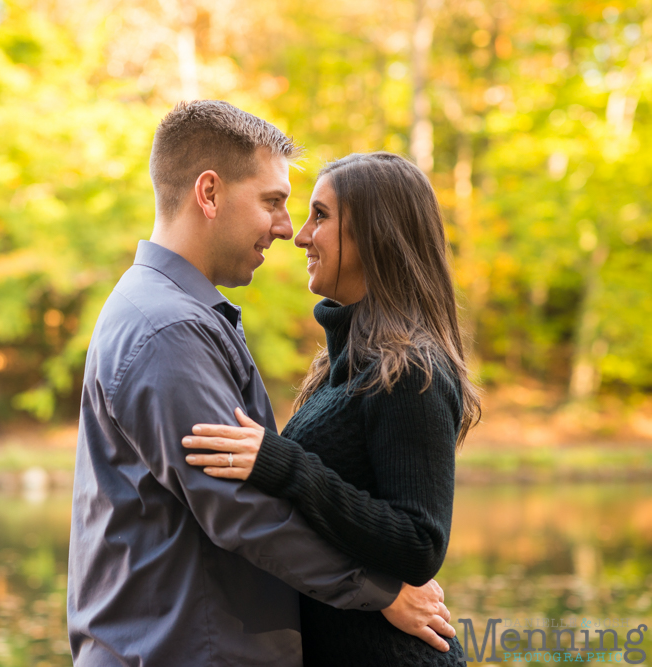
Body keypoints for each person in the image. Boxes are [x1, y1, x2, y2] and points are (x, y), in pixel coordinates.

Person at [67, 102, 456, 666]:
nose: (287, 229)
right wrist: (380, 591)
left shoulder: (176, 313)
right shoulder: (168, 328)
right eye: (274, 202)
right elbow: (241, 508)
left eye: (307, 213)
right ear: (209, 193)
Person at [182, 151, 481, 665]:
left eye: (320, 216)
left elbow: (420, 543)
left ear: (374, 235)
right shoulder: (344, 364)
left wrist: (285, 464)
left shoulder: (410, 370)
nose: (299, 236)